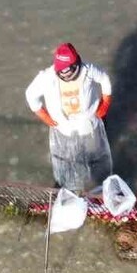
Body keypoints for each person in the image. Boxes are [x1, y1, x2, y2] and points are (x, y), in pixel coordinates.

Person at [25, 42, 114, 192]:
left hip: (90, 123)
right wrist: (43, 114)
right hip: (64, 128)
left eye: (71, 71)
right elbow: (30, 95)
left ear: (77, 63)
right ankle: (66, 186)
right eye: (62, 73)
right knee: (68, 158)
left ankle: (100, 185)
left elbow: (104, 79)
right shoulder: (47, 77)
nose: (67, 75)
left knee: (95, 155)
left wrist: (105, 103)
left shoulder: (89, 70)